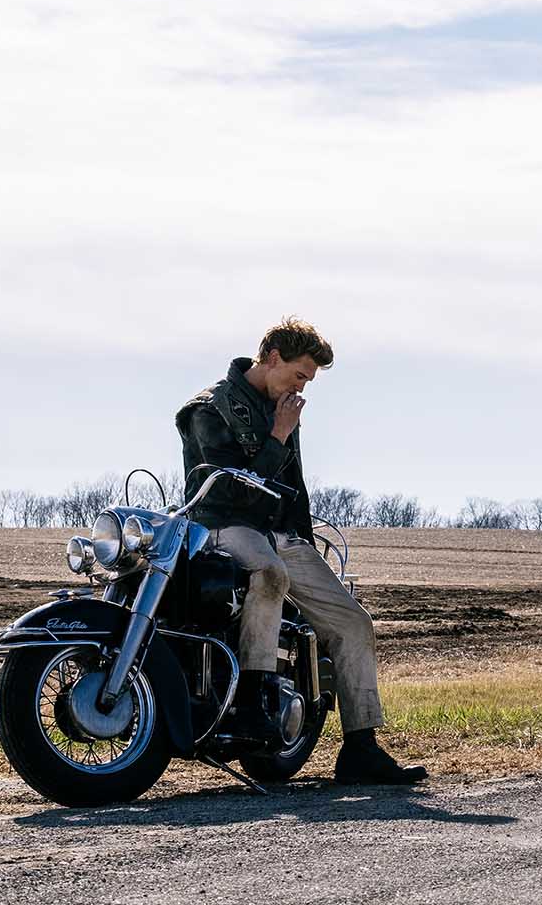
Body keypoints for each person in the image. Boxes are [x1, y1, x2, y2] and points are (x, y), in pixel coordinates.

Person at [176, 317, 426, 785]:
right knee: (269, 575)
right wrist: (278, 436)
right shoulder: (210, 409)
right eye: (298, 374)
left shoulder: (281, 407)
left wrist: (306, 544)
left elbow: (293, 488)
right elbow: (231, 493)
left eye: (308, 380)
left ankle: (361, 749)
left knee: (353, 622)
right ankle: (251, 698)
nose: (302, 386)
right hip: (224, 528)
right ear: (271, 358)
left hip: (281, 535)